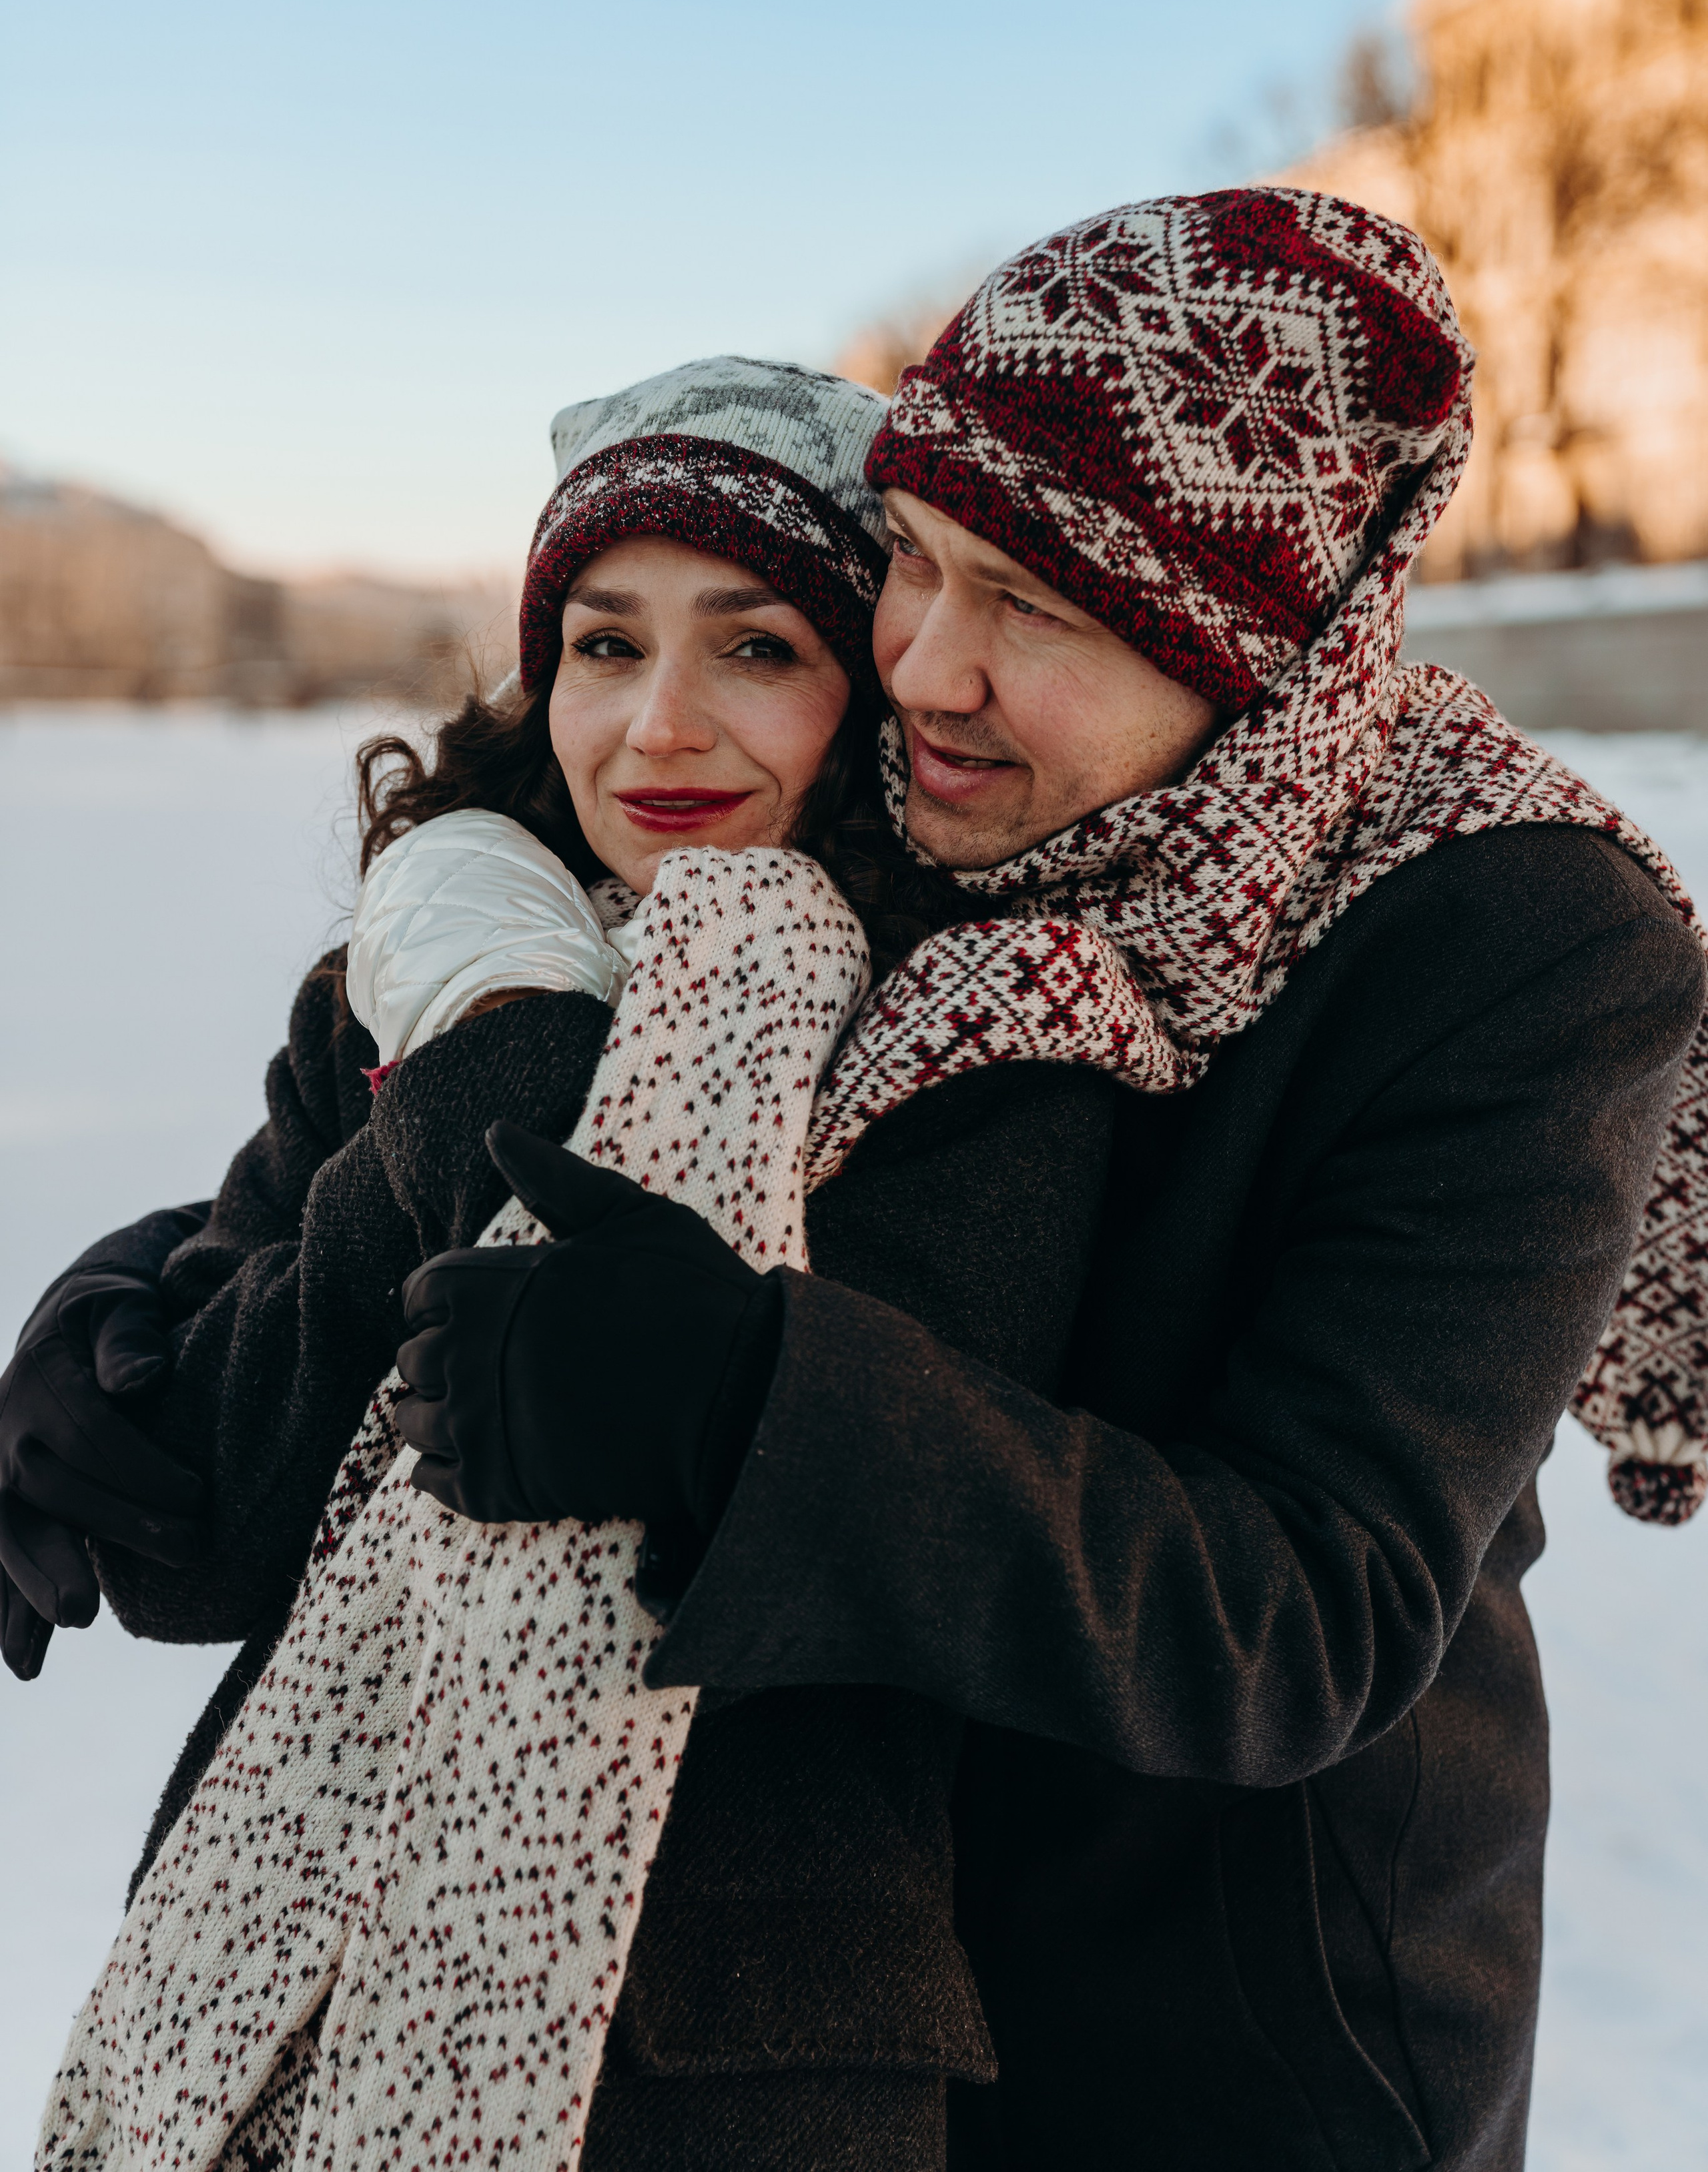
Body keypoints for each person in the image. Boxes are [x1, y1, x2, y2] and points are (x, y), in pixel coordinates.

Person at [15, 191, 1708, 2172]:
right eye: (914, 564)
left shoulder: (1494, 939)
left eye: (1043, 610)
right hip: (875, 1957)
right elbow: (399, 1250)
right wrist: (125, 1325)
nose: (927, 671)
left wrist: (745, 1397)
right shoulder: (883, 847)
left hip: (1228, 2013)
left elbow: (1317, 1601)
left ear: (1262, 661)